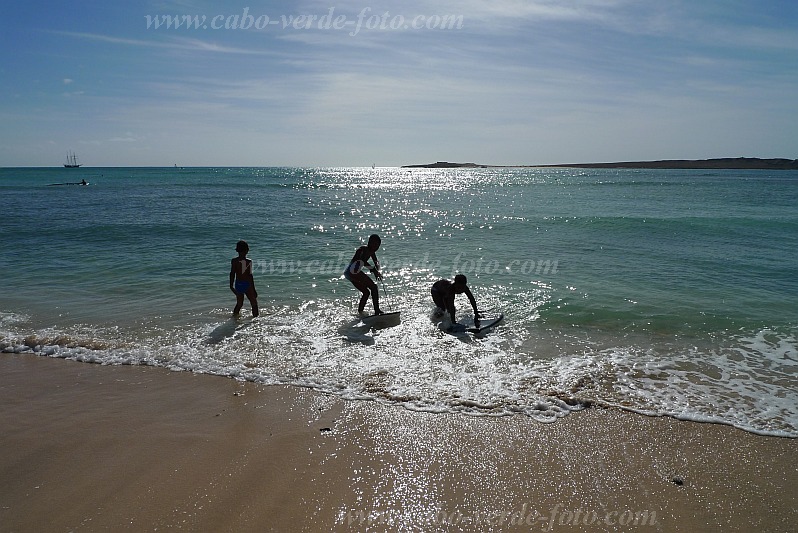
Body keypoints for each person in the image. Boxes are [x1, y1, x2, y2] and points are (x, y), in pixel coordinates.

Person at [344, 234, 383, 315]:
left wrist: (378, 271)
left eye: (378, 246)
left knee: (366, 292)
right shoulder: (363, 249)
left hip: (349, 274)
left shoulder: (372, 252)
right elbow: (362, 261)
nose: (376, 247)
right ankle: (377, 311)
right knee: (374, 287)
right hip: (353, 271)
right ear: (369, 242)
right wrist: (374, 270)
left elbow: (376, 261)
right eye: (375, 244)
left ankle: (360, 312)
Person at [229, 240, 259, 317]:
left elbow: (232, 273)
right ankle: (256, 320)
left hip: (238, 284)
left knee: (239, 304)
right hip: (247, 284)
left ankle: (234, 319)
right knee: (254, 303)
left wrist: (231, 285)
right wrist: (254, 289)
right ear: (247, 250)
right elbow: (250, 276)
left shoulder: (234, 261)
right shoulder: (248, 261)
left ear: (237, 250)